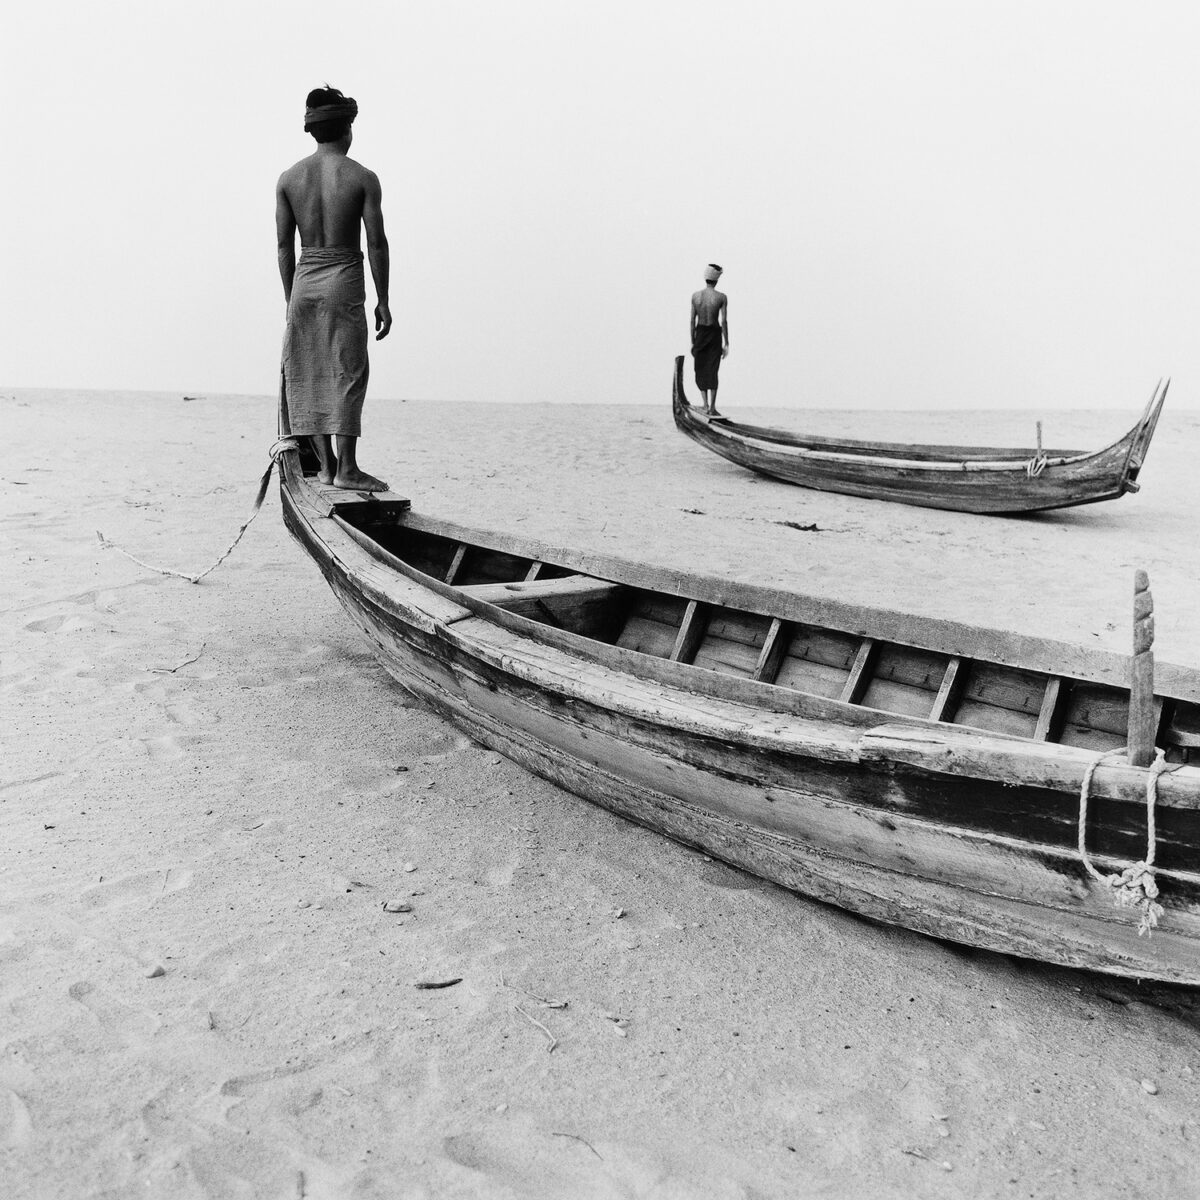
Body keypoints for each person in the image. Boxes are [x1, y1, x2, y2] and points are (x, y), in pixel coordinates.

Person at [276, 86, 392, 491]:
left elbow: (283, 247)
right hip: (344, 277)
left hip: (305, 280)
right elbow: (376, 242)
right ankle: (348, 470)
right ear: (348, 129)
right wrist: (384, 299)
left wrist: (292, 299)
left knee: (309, 370)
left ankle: (325, 468)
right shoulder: (362, 177)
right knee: (348, 370)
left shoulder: (289, 179)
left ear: (313, 131)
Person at [690, 263, 729, 415]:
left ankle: (705, 405)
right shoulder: (721, 297)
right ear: (716, 280)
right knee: (712, 369)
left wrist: (693, 341)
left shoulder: (696, 296)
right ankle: (711, 407)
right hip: (714, 334)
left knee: (700, 369)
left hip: (700, 333)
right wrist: (727, 342)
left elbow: (692, 320)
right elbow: (724, 321)